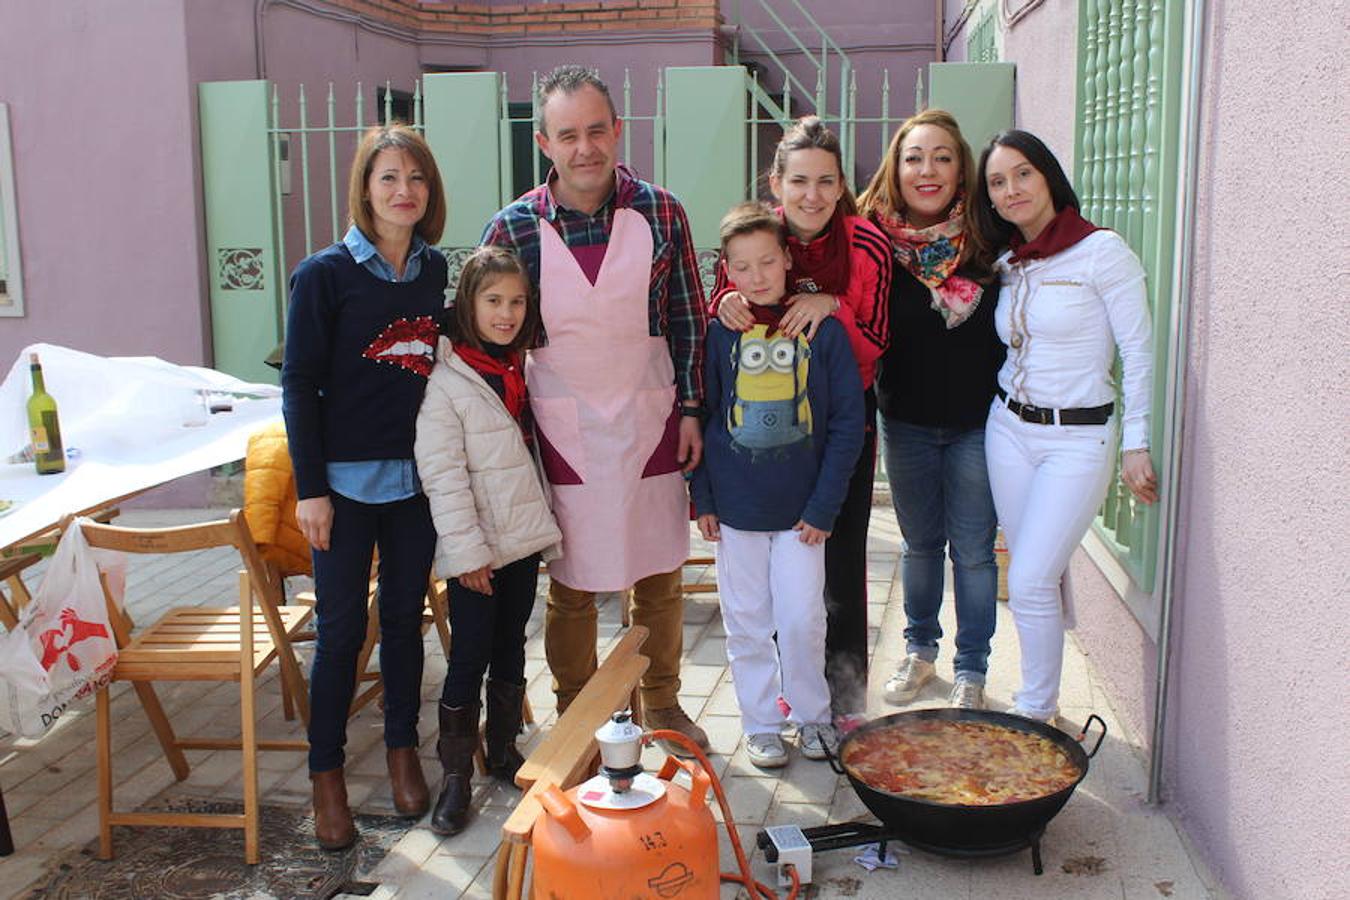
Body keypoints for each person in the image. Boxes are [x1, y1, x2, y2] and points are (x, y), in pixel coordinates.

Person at [480, 66, 710, 752]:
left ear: (618, 131)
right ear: (545, 143)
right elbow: (493, 337)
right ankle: (578, 713)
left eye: (596, 131)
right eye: (568, 134)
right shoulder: (514, 226)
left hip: (651, 415)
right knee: (573, 582)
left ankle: (661, 703)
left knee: (660, 573)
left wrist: (693, 408)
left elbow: (687, 318)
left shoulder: (662, 212)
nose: (585, 148)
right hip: (562, 424)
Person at [282, 124, 448, 849]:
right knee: (343, 634)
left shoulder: (437, 271)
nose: (403, 190)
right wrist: (309, 488)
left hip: (416, 483)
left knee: (406, 624)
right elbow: (299, 384)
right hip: (342, 491)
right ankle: (327, 776)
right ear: (365, 188)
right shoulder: (323, 274)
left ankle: (403, 748)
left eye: (415, 177)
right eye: (388, 177)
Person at [709, 117, 891, 726]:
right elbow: (728, 310)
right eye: (799, 181)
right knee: (775, 590)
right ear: (777, 183)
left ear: (842, 186)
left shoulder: (865, 244)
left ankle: (842, 701)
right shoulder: (760, 238)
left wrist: (829, 307)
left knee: (837, 561)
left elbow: (879, 336)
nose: (811, 194)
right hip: (759, 434)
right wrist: (725, 302)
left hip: (838, 419)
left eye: (826, 181)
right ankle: (781, 701)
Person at [973, 129, 1158, 725]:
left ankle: (1033, 716)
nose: (1011, 189)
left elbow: (1139, 347)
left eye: (1022, 173)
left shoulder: (1102, 251)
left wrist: (1138, 441)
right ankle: (1042, 700)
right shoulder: (1007, 264)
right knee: (1034, 575)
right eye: (998, 183)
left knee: (1028, 579)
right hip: (1008, 431)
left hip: (1077, 439)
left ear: (1048, 175)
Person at [692, 203, 864, 767]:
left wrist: (824, 506)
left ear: (789, 259)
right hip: (736, 510)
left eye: (768, 261)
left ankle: (812, 716)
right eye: (742, 267)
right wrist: (704, 497)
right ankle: (761, 721)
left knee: (801, 619)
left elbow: (845, 426)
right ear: (727, 271)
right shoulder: (721, 333)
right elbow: (707, 414)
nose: (758, 276)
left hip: (801, 517)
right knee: (745, 623)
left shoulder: (823, 331)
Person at [857, 110, 1005, 711]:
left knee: (972, 551)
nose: (928, 170)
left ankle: (971, 669)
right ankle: (920, 653)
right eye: (914, 157)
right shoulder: (871, 239)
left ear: (960, 167)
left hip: (979, 424)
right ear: (896, 166)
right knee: (920, 546)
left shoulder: (992, 235)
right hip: (908, 421)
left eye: (942, 156)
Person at [414, 246, 562, 835]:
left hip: (520, 540)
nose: (506, 312)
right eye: (493, 300)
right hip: (477, 554)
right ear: (467, 304)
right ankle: (455, 777)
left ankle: (500, 752)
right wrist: (468, 556)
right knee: (468, 659)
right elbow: (443, 476)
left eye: (517, 301)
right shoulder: (447, 382)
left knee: (509, 649)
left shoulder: (515, 370)